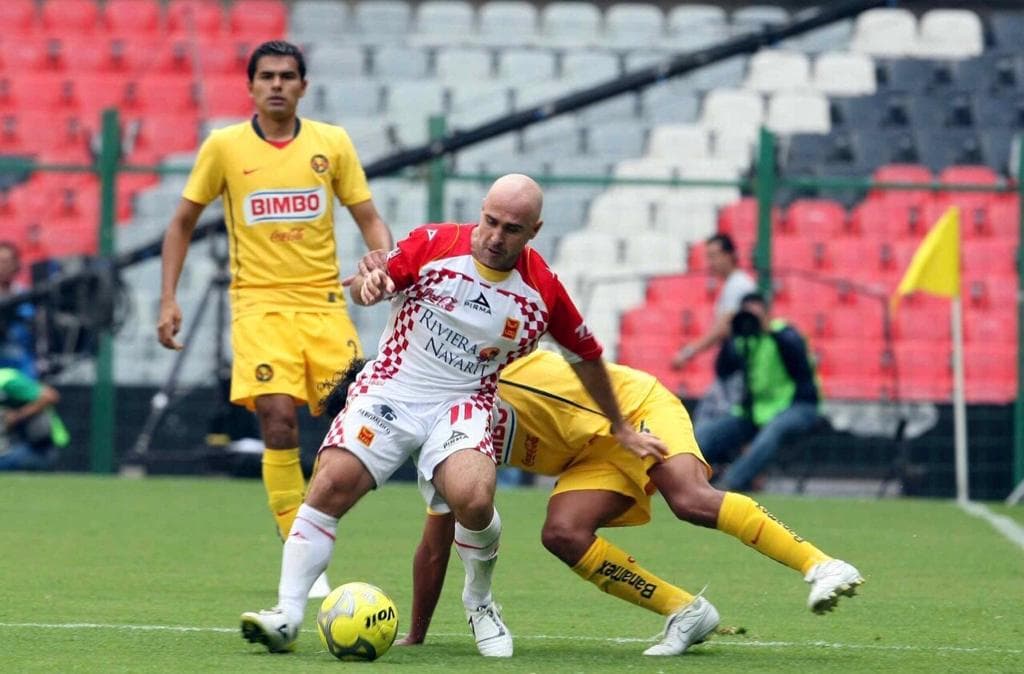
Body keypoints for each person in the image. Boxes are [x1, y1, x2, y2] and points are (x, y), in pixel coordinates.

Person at [240, 174, 668, 658]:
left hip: (463, 402)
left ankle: (479, 602)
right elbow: (366, 285)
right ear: (481, 210)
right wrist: (369, 286)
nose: (495, 236)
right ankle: (287, 616)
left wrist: (620, 426)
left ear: (534, 231)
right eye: (491, 221)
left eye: (511, 228)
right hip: (393, 388)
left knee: (475, 499)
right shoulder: (434, 244)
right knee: (330, 483)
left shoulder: (543, 291)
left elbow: (586, 356)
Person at [322, 349, 863, 656]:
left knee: (690, 499)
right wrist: (417, 634)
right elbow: (434, 544)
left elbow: (549, 346)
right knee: (562, 533)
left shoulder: (473, 373)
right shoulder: (435, 447)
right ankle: (686, 612)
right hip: (589, 456)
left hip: (633, 409)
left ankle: (822, 566)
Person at [157, 41, 393, 597]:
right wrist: (168, 298)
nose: (277, 85)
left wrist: (384, 261)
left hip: (323, 305)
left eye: (288, 76)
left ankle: (319, 518)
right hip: (258, 306)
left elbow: (368, 216)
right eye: (267, 76)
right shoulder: (224, 147)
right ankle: (301, 551)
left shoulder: (331, 143)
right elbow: (182, 223)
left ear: (303, 86)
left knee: (364, 420)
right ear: (251, 87)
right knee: (278, 420)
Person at [697, 292, 822, 492]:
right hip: (755, 412)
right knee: (705, 433)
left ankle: (729, 484)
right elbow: (723, 371)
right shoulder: (743, 340)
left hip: (797, 406)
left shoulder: (785, 334)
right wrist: (728, 337)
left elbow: (800, 362)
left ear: (767, 314)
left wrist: (768, 331)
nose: (751, 321)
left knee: (773, 430)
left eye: (756, 315)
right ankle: (681, 478)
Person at [671, 233, 756, 429]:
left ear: (730, 255)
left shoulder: (739, 285)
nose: (710, 263)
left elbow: (724, 327)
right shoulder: (732, 285)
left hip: (737, 370)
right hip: (730, 369)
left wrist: (688, 352)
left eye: (713, 256)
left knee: (712, 421)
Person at [0, 366, 69, 471]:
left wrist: (17, 416)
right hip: (20, 443)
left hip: (43, 446)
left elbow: (50, 396)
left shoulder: (6, 381)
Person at [0, 241, 37, 378]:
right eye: (1, 261)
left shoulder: (26, 295)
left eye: (7, 261)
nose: (3, 266)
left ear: (16, 265)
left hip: (21, 366)